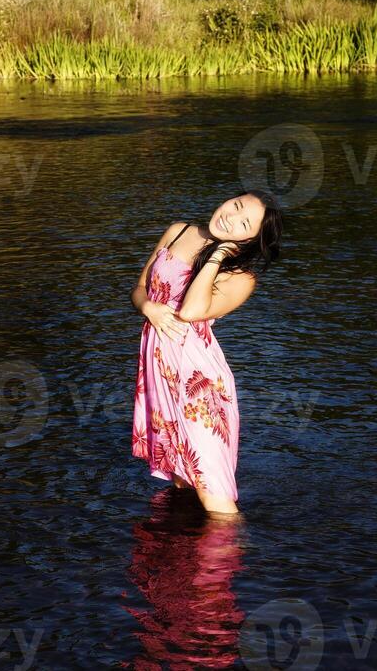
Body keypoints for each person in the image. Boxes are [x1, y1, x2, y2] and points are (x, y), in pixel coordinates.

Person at [130, 189, 283, 516]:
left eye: (245, 224)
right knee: (182, 479)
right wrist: (149, 308)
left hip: (198, 382)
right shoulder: (179, 231)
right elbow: (140, 287)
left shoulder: (241, 277)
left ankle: (233, 559)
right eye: (236, 206)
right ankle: (178, 560)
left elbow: (191, 311)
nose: (232, 218)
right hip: (160, 372)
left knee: (213, 492)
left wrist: (217, 255)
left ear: (251, 240)